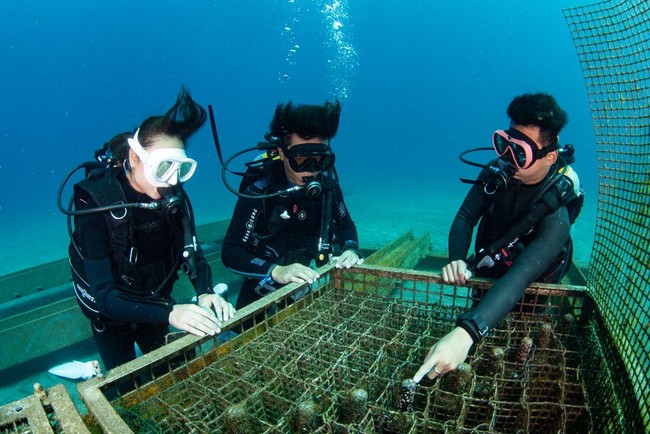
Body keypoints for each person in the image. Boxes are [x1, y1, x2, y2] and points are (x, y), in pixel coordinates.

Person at [414, 93, 583, 383]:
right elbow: (465, 218)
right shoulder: (497, 170)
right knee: (480, 323)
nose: (507, 158)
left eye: (521, 153)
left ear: (550, 157)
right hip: (492, 263)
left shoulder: (556, 215)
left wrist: (466, 332)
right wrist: (456, 259)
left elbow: (522, 276)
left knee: (523, 338)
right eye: (505, 145)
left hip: (534, 283)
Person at [66, 87, 235, 371]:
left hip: (156, 304)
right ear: (135, 159)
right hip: (112, 315)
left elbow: (191, 252)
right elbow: (105, 295)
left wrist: (205, 290)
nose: (172, 179)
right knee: (124, 385)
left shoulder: (174, 197)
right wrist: (170, 312)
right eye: (163, 167)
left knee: (176, 375)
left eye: (180, 169)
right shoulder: (95, 203)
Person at [221, 100, 363, 314]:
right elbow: (231, 251)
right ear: (281, 152)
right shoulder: (261, 191)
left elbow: (346, 227)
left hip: (308, 277)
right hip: (264, 278)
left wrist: (351, 249)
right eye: (301, 158)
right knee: (247, 333)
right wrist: (275, 270)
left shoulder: (327, 185)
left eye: (320, 159)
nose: (312, 170)